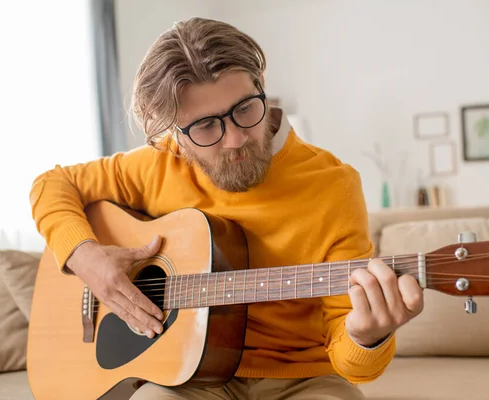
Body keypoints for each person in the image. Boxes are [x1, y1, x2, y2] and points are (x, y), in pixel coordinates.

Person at [29, 17, 423, 399]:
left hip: (303, 379)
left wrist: (367, 335)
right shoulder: (158, 164)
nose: (235, 139)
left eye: (246, 109)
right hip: (185, 379)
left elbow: (355, 363)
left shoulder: (333, 184)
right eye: (204, 127)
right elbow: (50, 185)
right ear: (173, 133)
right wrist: (87, 259)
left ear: (261, 85)